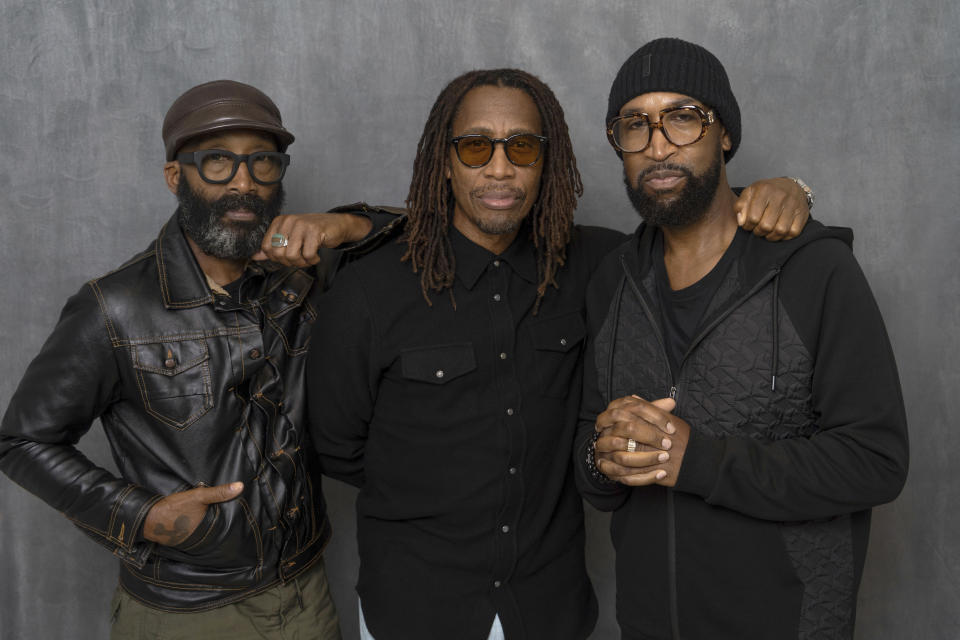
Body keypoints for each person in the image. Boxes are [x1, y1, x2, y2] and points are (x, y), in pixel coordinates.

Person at [305, 67, 812, 640]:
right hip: (416, 607)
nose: (500, 168)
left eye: (522, 147)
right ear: (443, 161)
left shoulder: (601, 265)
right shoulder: (367, 291)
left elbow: (693, 226)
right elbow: (337, 446)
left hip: (549, 608)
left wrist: (786, 191)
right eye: (475, 147)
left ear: (548, 160)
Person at [0, 79, 397, 639]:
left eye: (263, 164)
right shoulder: (113, 308)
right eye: (217, 163)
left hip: (307, 596)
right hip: (185, 611)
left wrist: (345, 225)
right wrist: (142, 516)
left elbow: (428, 239)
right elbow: (22, 441)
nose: (244, 184)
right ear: (175, 177)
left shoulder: (305, 278)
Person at [574, 38, 909, 639]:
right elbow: (589, 454)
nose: (657, 146)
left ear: (724, 133)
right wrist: (600, 460)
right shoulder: (610, 281)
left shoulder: (814, 271)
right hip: (649, 625)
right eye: (634, 125)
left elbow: (876, 462)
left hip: (789, 623)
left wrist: (697, 460)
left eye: (682, 117)